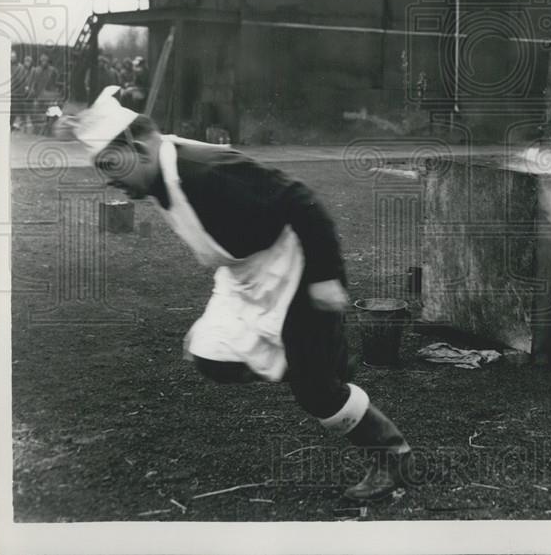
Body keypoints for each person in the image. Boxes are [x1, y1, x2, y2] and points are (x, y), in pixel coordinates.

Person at [70, 86, 411, 501]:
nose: (108, 180)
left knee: (317, 392)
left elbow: (302, 202)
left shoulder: (205, 169)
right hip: (243, 273)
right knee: (210, 355)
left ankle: (390, 454)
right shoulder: (162, 173)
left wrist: (326, 276)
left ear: (138, 148)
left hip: (293, 267)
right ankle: (323, 357)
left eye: (109, 165)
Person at [26, 53, 60, 133]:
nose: (44, 62)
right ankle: (36, 126)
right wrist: (31, 90)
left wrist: (54, 93)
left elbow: (55, 82)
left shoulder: (53, 70)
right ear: (40, 61)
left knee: (52, 110)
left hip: (48, 94)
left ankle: (48, 126)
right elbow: (31, 82)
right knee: (34, 110)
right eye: (42, 60)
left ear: (48, 61)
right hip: (38, 94)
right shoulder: (35, 70)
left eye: (46, 60)